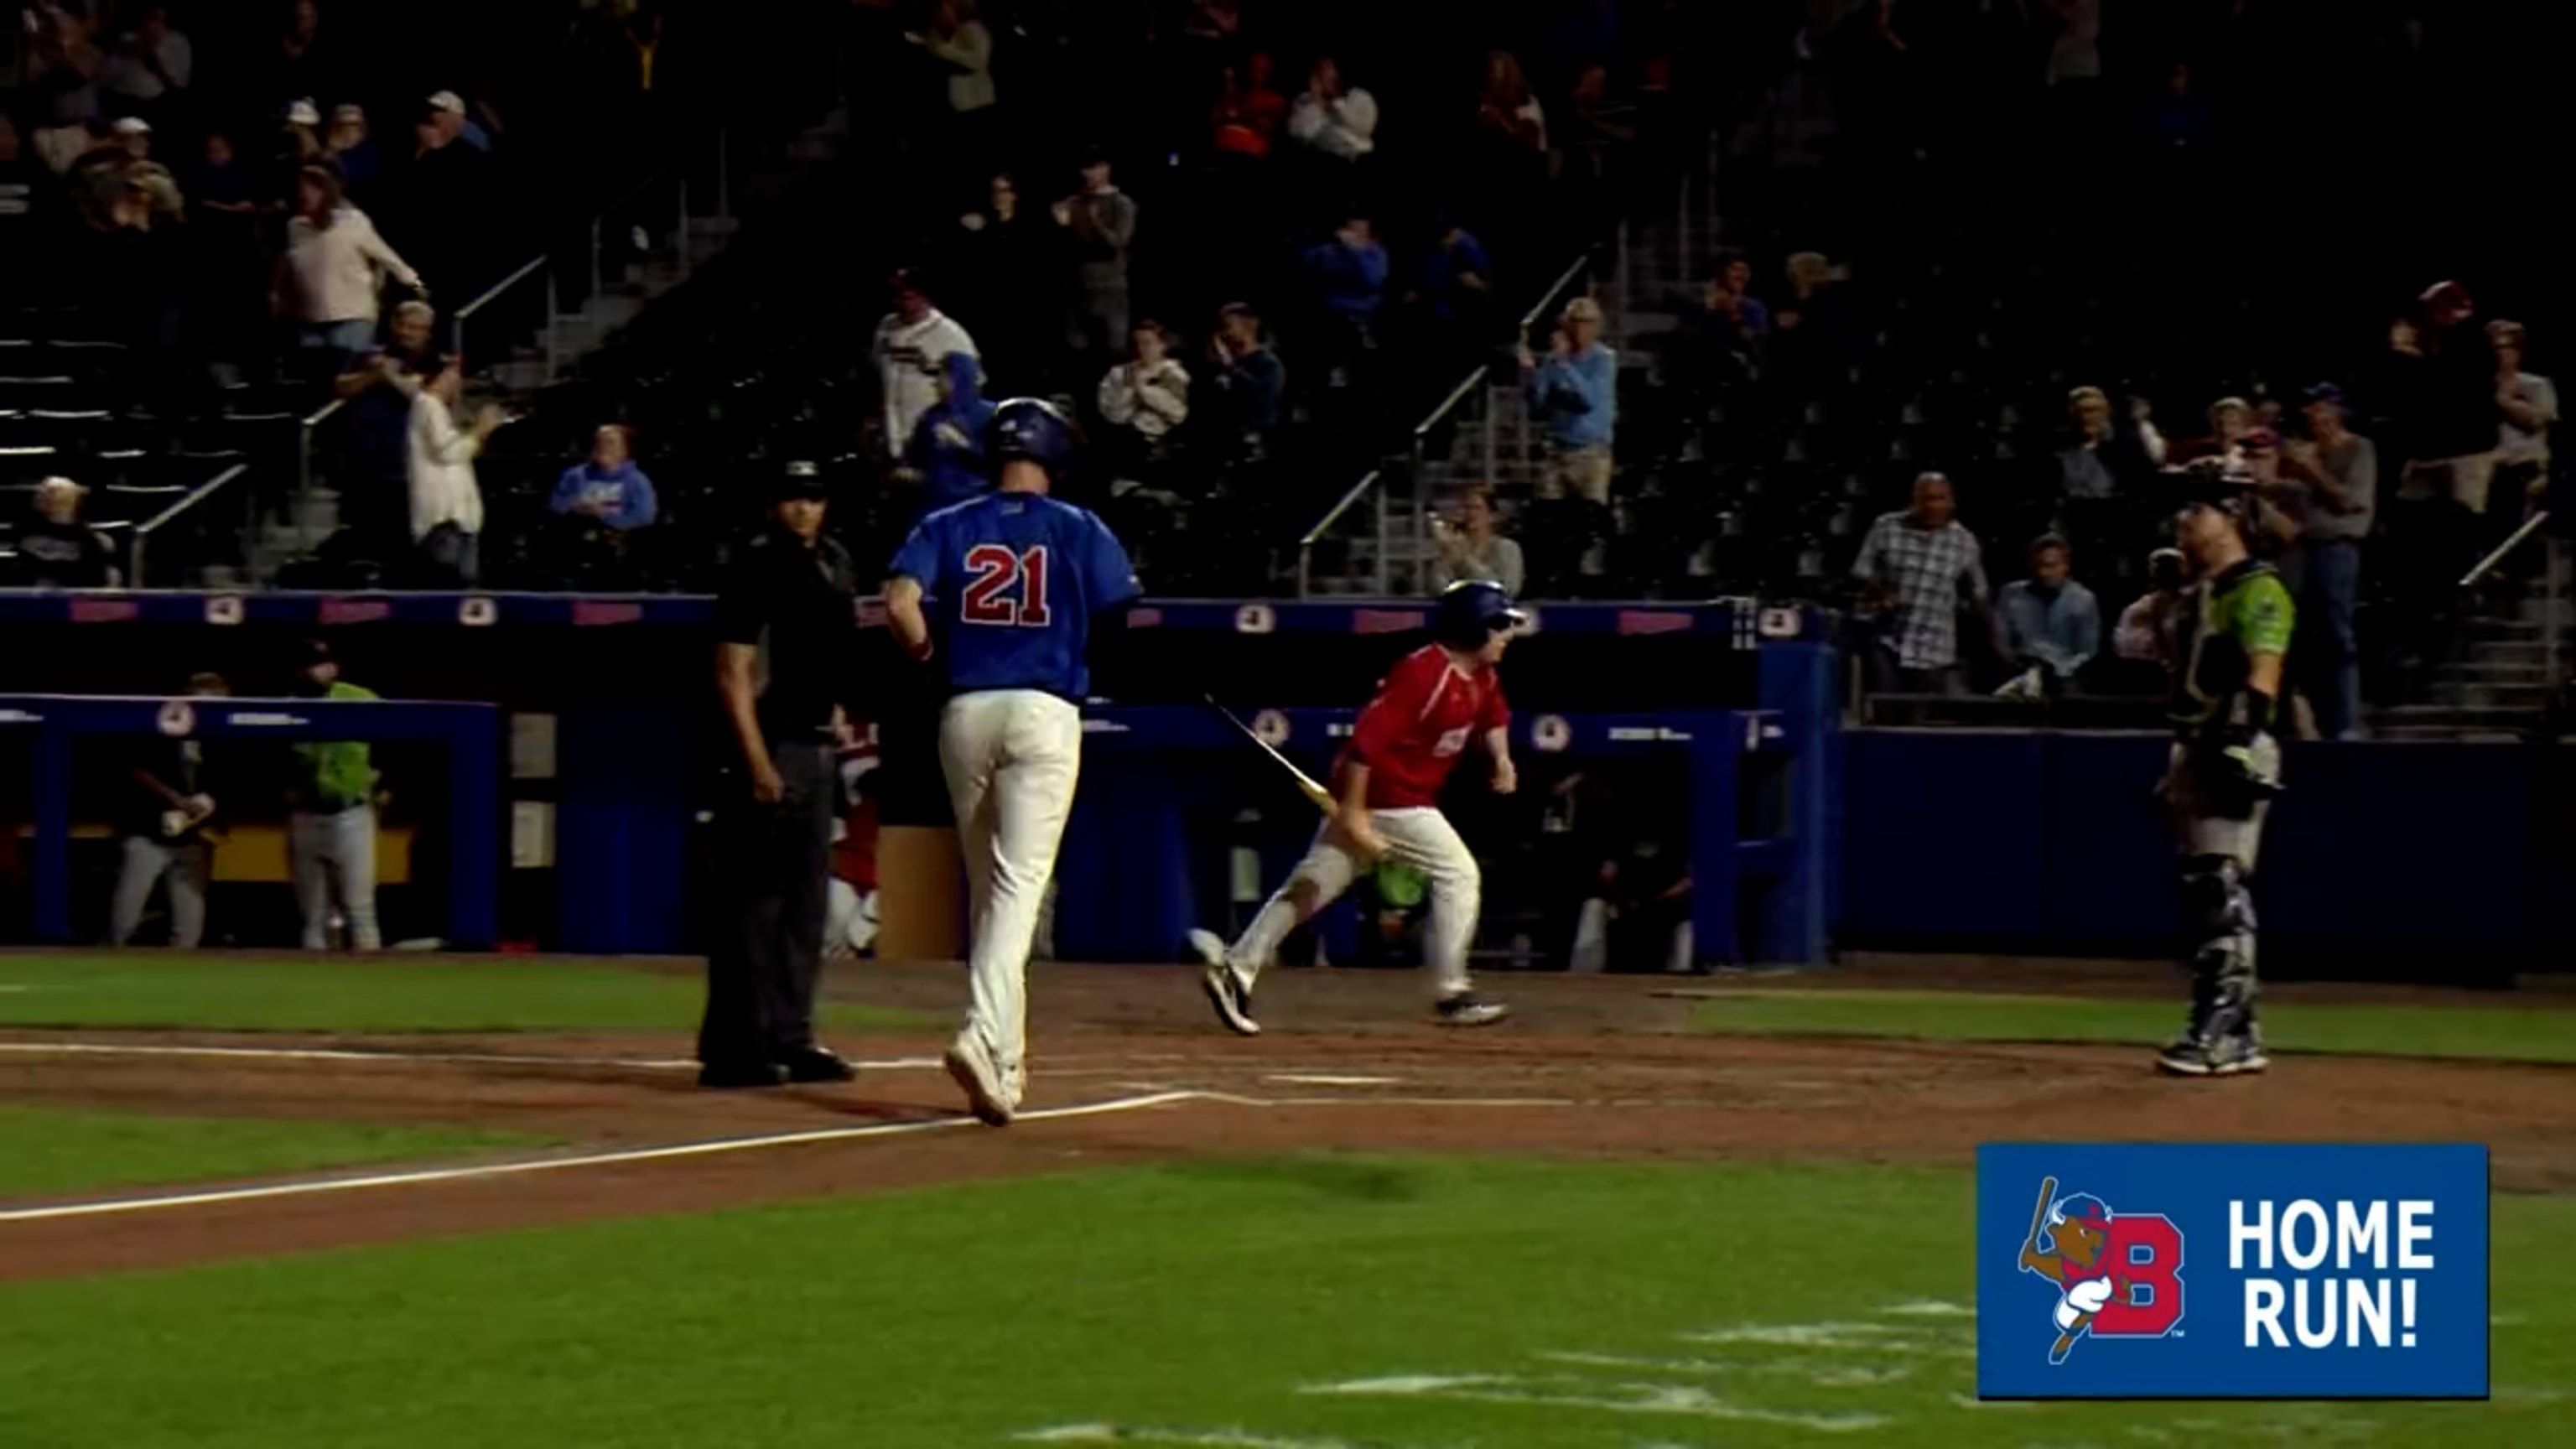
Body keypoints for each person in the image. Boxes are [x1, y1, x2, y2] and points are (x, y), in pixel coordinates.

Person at [884, 399, 1140, 1125]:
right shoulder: (1079, 526)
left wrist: (929, 651)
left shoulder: (947, 522)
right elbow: (1121, 611)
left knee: (991, 893)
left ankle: (1005, 1066)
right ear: (1055, 456)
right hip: (1044, 712)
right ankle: (982, 1031)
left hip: (965, 711)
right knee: (1019, 889)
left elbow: (899, 601)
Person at [1190, 579, 1524, 1036]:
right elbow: (1367, 745)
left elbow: (1494, 716)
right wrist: (1352, 813)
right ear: (1472, 627)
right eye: (1500, 624)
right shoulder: (1423, 674)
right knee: (1459, 874)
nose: (1507, 634)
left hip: (1394, 798)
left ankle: (1237, 968)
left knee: (1312, 886)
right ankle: (1451, 992)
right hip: (1389, 798)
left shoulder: (1481, 675)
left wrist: (1501, 758)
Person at [699, 462, 865, 1089]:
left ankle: (792, 1036)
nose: (804, 507)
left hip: (817, 745)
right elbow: (731, 671)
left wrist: (838, 715)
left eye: (814, 497)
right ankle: (736, 1047)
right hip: (771, 745)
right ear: (775, 503)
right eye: (793, 495)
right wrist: (756, 760)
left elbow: (827, 656)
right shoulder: (757, 564)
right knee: (752, 905)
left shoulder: (836, 563)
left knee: (804, 906)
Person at [2154, 488, 2294, 1078]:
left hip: (2229, 742)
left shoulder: (2259, 587)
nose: (2187, 520)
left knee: (2220, 888)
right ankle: (2242, 1030)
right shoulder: (2202, 593)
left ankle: (2218, 1032)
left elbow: (2264, 669)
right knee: (2207, 888)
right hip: (2197, 744)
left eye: (2200, 510)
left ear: (2233, 520)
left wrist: (2238, 742)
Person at [2280, 384, 2376, 739]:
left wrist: (2312, 469)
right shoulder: (2303, 452)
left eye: (2319, 409)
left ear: (2337, 411)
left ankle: (2347, 723)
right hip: (2299, 549)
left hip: (2337, 548)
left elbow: (2349, 502)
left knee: (2339, 636)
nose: (2312, 416)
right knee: (2296, 637)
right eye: (2309, 410)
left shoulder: (2359, 449)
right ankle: (2298, 720)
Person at [112, 672, 231, 948]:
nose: (208, 709)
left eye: (217, 702)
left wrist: (208, 809)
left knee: (189, 926)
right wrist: (174, 798)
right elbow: (135, 767)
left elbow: (226, 784)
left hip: (192, 839)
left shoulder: (222, 738)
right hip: (147, 832)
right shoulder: (161, 723)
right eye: (203, 701)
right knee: (125, 918)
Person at [1852, 472, 1988, 695]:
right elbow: (1861, 570)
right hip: (1888, 641)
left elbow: (1978, 592)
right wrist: (1881, 593)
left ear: (1951, 502)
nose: (1933, 506)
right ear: (1915, 501)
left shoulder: (1964, 541)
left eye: (1939, 499)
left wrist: (1969, 610)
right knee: (1885, 714)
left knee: (1920, 722)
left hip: (1934, 650)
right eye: (1926, 499)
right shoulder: (1886, 526)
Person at [287, 640, 382, 953]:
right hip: (306, 816)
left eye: (323, 663)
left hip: (351, 814)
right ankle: (311, 991)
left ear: (334, 667)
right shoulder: (287, 706)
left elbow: (402, 738)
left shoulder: (360, 699)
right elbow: (265, 759)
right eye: (310, 664)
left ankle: (373, 990)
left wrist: (385, 783)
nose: (317, 669)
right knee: (312, 916)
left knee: (360, 909)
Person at [278, 164, 421, 366]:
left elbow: (387, 257)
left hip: (351, 316)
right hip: (310, 318)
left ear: (326, 192)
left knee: (346, 374)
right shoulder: (295, 228)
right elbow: (293, 267)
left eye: (312, 188)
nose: (305, 193)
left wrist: (417, 284)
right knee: (318, 384)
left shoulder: (353, 221)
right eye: (301, 187)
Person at [872, 270, 979, 463]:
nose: (901, 302)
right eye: (897, 295)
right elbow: (877, 376)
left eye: (908, 296)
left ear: (924, 296)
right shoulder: (885, 327)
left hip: (931, 437)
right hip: (890, 432)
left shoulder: (951, 334)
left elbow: (971, 387)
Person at [408, 359, 498, 586]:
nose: (457, 382)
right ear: (438, 379)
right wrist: (479, 430)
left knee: (463, 590)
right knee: (449, 590)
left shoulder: (436, 409)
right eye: (452, 376)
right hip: (444, 520)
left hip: (457, 520)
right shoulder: (428, 404)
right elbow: (447, 452)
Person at [1521, 297, 1618, 505]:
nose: (1580, 328)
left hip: (1591, 455)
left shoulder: (1603, 359)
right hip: (1557, 452)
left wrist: (1565, 365)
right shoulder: (1553, 359)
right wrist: (1530, 373)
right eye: (1575, 321)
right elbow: (1538, 404)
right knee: (1548, 517)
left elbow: (1588, 399)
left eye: (1587, 322)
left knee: (1591, 521)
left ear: (1597, 326)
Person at [1056, 150, 1138, 366]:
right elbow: (1065, 247)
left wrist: (1097, 222)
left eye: (1094, 168)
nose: (1088, 174)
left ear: (1106, 169)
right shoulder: (1074, 202)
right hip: (1077, 286)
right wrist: (1061, 226)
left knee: (1114, 349)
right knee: (1077, 349)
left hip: (1110, 286)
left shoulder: (1122, 203)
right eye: (1085, 169)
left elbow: (1119, 242)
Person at [1993, 534, 2101, 697]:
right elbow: (2000, 639)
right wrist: (2021, 669)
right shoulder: (2011, 594)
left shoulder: (2084, 599)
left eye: (2051, 566)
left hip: (2065, 677)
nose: (2043, 573)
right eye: (2039, 566)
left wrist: (2056, 672)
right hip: (2018, 673)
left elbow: (2088, 651)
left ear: (2065, 566)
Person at [1094, 321, 1190, 478]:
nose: (1141, 349)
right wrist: (1132, 390)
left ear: (1162, 345)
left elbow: (1179, 414)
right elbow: (1110, 412)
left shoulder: (1175, 376)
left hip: (1161, 448)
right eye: (1136, 344)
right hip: (1120, 442)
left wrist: (1145, 391)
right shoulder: (1119, 373)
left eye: (1147, 343)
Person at [905, 351, 997, 514]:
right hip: (931, 506)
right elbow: (915, 459)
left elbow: (997, 464)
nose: (935, 383)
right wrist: (910, 472)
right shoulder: (931, 416)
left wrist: (964, 444)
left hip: (973, 505)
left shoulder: (990, 414)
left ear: (957, 378)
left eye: (942, 376)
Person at [13, 477, 122, 589]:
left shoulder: (95, 542)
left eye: (52, 491)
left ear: (72, 500)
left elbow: (110, 587)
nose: (42, 495)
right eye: (41, 491)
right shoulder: (24, 532)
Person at [1431, 486, 1525, 596]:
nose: (1471, 513)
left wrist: (1465, 560)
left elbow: (1509, 589)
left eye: (1477, 508)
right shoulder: (1451, 547)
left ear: (1492, 516)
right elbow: (1438, 589)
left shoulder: (1508, 548)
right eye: (1466, 508)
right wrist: (1445, 561)